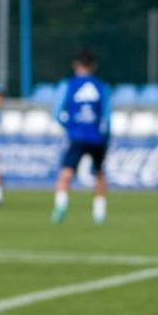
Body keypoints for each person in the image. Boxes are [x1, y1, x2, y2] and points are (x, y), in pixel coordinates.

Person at [51, 51, 111, 225]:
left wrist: (69, 127)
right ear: (93, 66)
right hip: (97, 138)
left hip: (76, 136)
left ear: (76, 65)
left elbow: (56, 113)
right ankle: (99, 213)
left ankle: (61, 206)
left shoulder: (68, 85)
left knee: (66, 173)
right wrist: (106, 138)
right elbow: (107, 117)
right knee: (99, 174)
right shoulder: (102, 87)